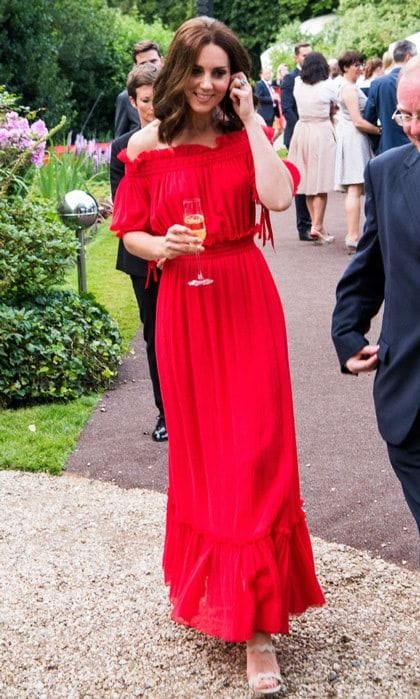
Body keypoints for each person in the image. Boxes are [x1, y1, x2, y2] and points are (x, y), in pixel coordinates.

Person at [111, 16, 324, 695]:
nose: (207, 83)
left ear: (234, 76)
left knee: (257, 449)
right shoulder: (147, 145)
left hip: (244, 298)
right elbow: (130, 230)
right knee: (207, 453)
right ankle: (222, 597)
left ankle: (259, 625)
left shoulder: (246, 136)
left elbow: (279, 197)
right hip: (184, 306)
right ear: (178, 71)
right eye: (197, 71)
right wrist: (162, 246)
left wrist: (254, 117)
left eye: (220, 71)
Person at [331, 55, 420, 531]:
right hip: (409, 389)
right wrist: (347, 335)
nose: (413, 129)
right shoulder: (386, 171)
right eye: (408, 115)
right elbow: (370, 265)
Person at [110, 63, 167, 442]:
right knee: (156, 335)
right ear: (133, 102)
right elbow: (122, 207)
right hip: (142, 256)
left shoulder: (182, 138)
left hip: (186, 252)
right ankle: (166, 412)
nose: (154, 107)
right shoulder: (122, 148)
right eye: (147, 101)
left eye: (160, 97)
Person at [334, 51, 381, 253]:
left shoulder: (347, 86)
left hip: (351, 138)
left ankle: (355, 235)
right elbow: (358, 121)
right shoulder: (349, 89)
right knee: (355, 188)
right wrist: (381, 130)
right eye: (356, 64)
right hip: (354, 139)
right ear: (345, 67)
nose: (360, 67)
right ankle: (353, 236)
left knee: (357, 188)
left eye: (361, 64)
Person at [288, 51, 337, 244]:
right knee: (321, 183)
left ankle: (318, 226)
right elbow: (340, 101)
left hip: (302, 130)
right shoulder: (327, 85)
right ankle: (317, 225)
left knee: (307, 183)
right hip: (321, 130)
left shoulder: (298, 84)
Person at [281, 42, 313, 241]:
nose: (307, 58)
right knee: (300, 181)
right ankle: (304, 226)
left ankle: (316, 222)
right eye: (304, 55)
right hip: (296, 135)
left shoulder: (316, 77)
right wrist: (302, 128)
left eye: (310, 55)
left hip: (314, 135)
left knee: (313, 178)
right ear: (296, 58)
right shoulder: (290, 79)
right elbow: (287, 108)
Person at [364, 39, 417, 153]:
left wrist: (381, 140)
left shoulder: (378, 84)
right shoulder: (416, 79)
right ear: (408, 57)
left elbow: (368, 118)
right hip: (415, 146)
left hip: (389, 147)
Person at [114, 40, 163, 138]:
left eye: (153, 61)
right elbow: (119, 137)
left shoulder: (176, 92)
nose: (150, 66)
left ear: (162, 61)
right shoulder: (125, 98)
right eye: (143, 63)